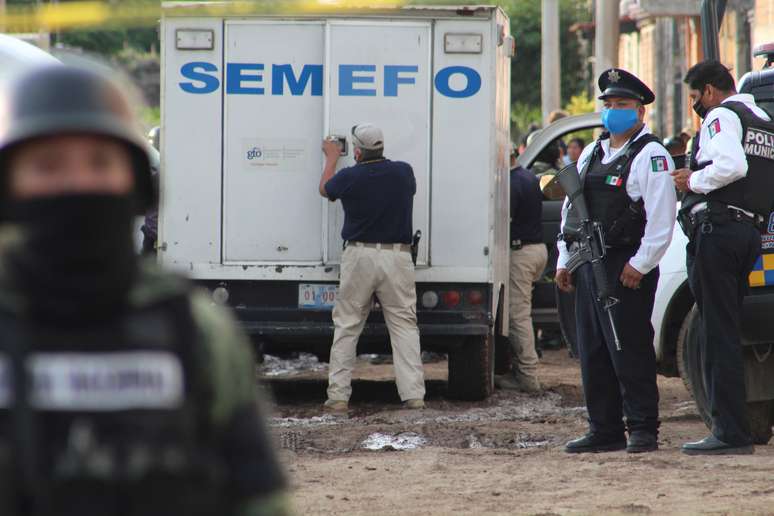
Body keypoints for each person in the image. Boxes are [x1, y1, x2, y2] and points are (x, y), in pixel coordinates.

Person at [0, 65, 288, 515]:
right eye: (47, 165)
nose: (77, 184)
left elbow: (257, 497)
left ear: (137, 184)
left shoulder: (195, 329)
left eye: (100, 162)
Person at [556, 68, 677, 454]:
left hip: (626, 268)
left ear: (640, 112)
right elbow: (571, 211)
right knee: (593, 350)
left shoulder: (651, 154)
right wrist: (564, 259)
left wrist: (640, 264)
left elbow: (661, 219)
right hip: (589, 264)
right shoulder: (593, 151)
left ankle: (643, 428)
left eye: (622, 105)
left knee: (630, 348)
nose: (613, 112)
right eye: (608, 105)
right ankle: (604, 429)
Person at [672, 60, 773, 455]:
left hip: (719, 231)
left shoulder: (722, 116)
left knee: (718, 336)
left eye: (696, 97)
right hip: (748, 232)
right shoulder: (762, 119)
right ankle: (735, 428)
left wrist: (692, 180)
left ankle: (729, 432)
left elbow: (732, 165)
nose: (696, 105)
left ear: (711, 91)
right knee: (727, 332)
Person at [319, 124, 425, 412]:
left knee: (347, 325)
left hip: (359, 256)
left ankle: (338, 396)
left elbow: (324, 189)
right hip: (397, 257)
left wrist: (330, 158)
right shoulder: (404, 172)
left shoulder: (349, 176)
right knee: (404, 326)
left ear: (356, 151)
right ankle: (413, 394)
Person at [495, 143, 548, 393]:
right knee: (522, 312)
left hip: (522, 253)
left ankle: (527, 377)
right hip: (537, 250)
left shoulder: (511, 184)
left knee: (518, 316)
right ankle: (522, 369)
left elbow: (504, 222)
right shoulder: (529, 177)